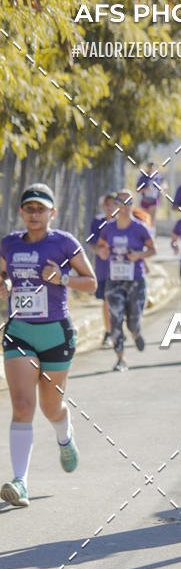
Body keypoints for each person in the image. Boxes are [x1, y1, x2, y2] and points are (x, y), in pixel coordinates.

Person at [0, 184, 96, 507]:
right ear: (22, 212)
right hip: (20, 332)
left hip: (56, 332)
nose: (35, 214)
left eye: (41, 209)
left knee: (50, 406)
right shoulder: (9, 244)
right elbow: (2, 276)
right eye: (29, 209)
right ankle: (20, 482)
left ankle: (64, 436)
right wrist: (4, 285)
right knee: (23, 405)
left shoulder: (64, 243)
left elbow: (92, 283)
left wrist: (62, 279)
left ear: (51, 213)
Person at [96, 189, 156, 371]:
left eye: (127, 202)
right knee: (115, 319)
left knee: (133, 322)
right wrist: (102, 251)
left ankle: (136, 333)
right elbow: (99, 246)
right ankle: (120, 359)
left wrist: (139, 255)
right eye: (119, 202)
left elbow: (152, 249)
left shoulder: (140, 228)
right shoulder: (108, 228)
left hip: (136, 280)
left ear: (132, 204)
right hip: (114, 280)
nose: (123, 206)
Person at [88, 192, 117, 346]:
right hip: (104, 267)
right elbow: (91, 241)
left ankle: (118, 328)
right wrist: (99, 250)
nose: (110, 207)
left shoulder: (124, 222)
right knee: (106, 301)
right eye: (108, 204)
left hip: (123, 269)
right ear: (104, 206)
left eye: (113, 204)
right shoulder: (98, 222)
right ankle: (108, 331)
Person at [137, 161, 163, 228]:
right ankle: (146, 230)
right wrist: (146, 189)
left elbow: (164, 184)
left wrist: (162, 189)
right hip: (145, 199)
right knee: (145, 217)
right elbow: (138, 189)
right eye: (150, 167)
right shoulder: (143, 178)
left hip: (154, 200)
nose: (151, 168)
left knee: (152, 217)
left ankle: (152, 232)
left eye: (153, 167)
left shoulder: (158, 177)